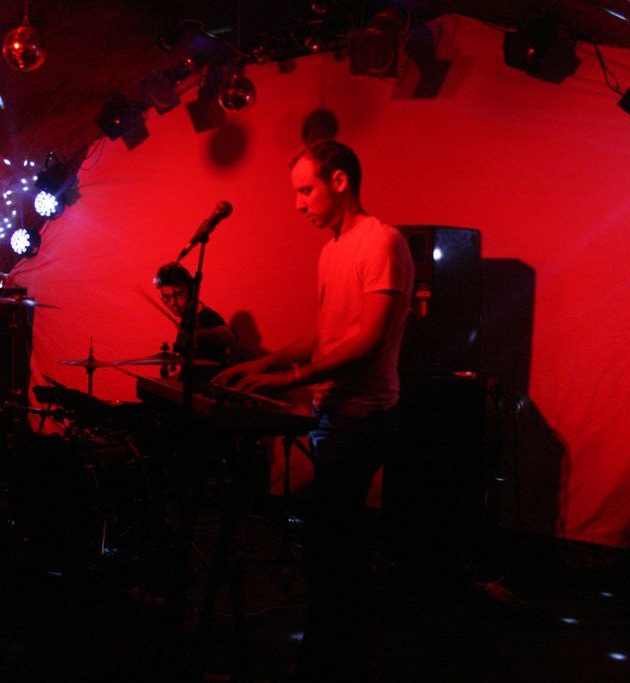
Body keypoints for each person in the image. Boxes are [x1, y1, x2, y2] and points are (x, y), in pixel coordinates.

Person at [213, 139, 414, 681]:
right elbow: (326, 335)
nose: (298, 203)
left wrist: (289, 380)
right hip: (333, 414)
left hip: (363, 416)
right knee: (331, 544)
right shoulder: (331, 250)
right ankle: (343, 650)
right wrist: (261, 364)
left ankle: (332, 657)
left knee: (332, 545)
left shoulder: (383, 241)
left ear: (339, 181)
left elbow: (369, 341)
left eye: (306, 190)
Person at [154, 260, 232, 377]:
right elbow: (189, 371)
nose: (173, 302)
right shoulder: (186, 321)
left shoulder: (208, 317)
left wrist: (196, 333)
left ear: (191, 291)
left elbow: (228, 336)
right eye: (167, 297)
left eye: (178, 294)